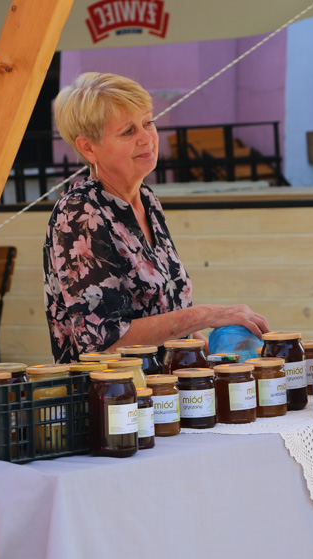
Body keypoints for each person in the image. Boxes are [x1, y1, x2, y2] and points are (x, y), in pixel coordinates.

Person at [44, 73, 268, 364]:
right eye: (127, 132)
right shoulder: (79, 213)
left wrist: (221, 354)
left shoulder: (146, 199)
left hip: (166, 395)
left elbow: (162, 319)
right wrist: (205, 315)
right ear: (88, 148)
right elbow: (103, 341)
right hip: (112, 400)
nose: (146, 138)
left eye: (148, 122)